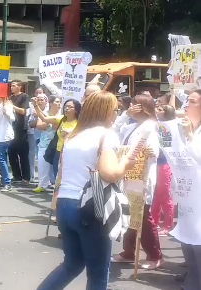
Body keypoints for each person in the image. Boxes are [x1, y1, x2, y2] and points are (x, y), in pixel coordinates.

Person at [37, 91, 140, 290]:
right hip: (89, 207)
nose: (116, 115)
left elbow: (62, 172)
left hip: (65, 204)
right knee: (99, 275)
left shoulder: (74, 136)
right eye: (115, 110)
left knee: (72, 263)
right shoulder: (106, 135)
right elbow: (109, 173)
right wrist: (126, 163)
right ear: (106, 111)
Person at [110, 94, 163, 269]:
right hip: (127, 175)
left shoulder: (151, 126)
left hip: (141, 178)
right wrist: (125, 114)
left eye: (134, 104)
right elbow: (115, 131)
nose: (131, 107)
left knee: (143, 216)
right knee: (128, 213)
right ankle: (128, 251)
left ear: (143, 107)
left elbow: (154, 150)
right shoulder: (132, 125)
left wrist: (150, 151)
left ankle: (154, 255)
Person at [173, 89, 201, 290]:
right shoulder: (186, 127)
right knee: (186, 235)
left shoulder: (192, 132)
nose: (185, 105)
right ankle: (193, 275)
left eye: (191, 101)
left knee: (198, 236)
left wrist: (190, 137)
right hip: (187, 192)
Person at [34, 99, 81, 184]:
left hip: (71, 154)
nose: (67, 109)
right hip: (59, 153)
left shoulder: (80, 123)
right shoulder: (62, 119)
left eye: (70, 107)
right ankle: (57, 195)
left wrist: (70, 134)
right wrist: (36, 106)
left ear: (76, 110)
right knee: (57, 177)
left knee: (67, 178)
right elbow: (44, 118)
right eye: (66, 106)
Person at [152, 103, 176, 236]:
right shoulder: (156, 125)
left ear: (166, 113)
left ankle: (168, 225)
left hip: (165, 164)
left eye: (160, 109)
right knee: (156, 195)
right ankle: (154, 222)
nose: (157, 110)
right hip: (156, 163)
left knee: (165, 196)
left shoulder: (172, 127)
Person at [33, 95, 61, 193]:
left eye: (59, 102)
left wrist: (48, 122)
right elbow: (39, 126)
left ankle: (56, 185)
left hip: (57, 144)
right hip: (44, 143)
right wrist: (48, 122)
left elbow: (56, 126)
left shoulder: (62, 115)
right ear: (50, 103)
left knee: (57, 167)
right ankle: (43, 184)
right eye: (56, 102)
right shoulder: (45, 113)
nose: (58, 104)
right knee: (42, 164)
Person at [0, 95, 15, 192]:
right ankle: (3, 180)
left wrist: (6, 113)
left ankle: (7, 182)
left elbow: (12, 118)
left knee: (0, 159)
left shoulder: (7, 104)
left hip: (4, 136)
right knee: (1, 159)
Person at [8, 80, 31, 184]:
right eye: (11, 86)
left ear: (19, 87)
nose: (11, 87)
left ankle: (26, 177)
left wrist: (11, 106)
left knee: (23, 154)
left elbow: (23, 111)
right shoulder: (10, 98)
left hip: (21, 128)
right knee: (11, 152)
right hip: (11, 128)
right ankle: (16, 175)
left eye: (14, 86)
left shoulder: (24, 97)